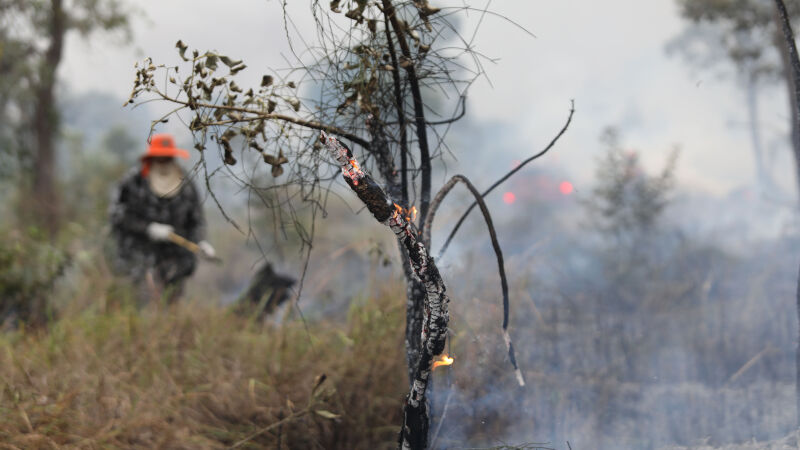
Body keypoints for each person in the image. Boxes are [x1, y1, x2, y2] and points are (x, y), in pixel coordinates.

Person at [108, 133, 215, 304]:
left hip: (175, 262)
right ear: (151, 158)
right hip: (139, 260)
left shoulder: (185, 184)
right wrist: (147, 228)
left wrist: (201, 242)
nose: (164, 163)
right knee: (142, 303)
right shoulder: (134, 181)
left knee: (171, 305)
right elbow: (117, 214)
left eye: (168, 158)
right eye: (160, 158)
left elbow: (196, 220)